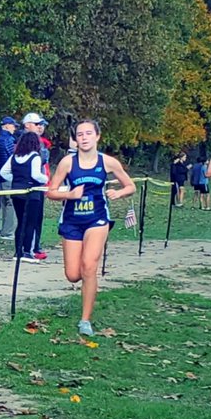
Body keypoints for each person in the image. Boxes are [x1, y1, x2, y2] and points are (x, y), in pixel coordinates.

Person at [46, 119, 136, 336]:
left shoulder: (108, 162)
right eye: (80, 134)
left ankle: (85, 320)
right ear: (75, 139)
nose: (84, 138)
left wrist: (119, 193)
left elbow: (130, 186)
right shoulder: (68, 163)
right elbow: (50, 191)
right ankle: (85, 296)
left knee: (89, 266)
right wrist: (69, 194)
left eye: (88, 133)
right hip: (71, 220)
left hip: (97, 219)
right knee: (73, 274)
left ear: (97, 136)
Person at [1, 130, 48, 263]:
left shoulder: (14, 157)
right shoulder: (35, 157)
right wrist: (45, 179)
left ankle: (18, 251)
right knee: (30, 223)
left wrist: (16, 180)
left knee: (21, 222)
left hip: (16, 193)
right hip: (31, 194)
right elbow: (36, 175)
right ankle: (27, 251)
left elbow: (3, 172)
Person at [20, 113, 51, 259]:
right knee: (28, 220)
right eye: (37, 124)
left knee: (37, 218)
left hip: (39, 185)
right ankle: (28, 249)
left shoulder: (41, 142)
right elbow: (42, 158)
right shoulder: (22, 141)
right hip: (30, 186)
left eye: (41, 125)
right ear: (27, 125)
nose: (40, 127)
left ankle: (34, 246)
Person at [0, 115, 19, 240]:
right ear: (6, 125)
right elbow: (12, 157)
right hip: (9, 176)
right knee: (10, 204)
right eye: (13, 125)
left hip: (1, 176)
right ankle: (8, 232)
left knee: (5, 203)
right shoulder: (8, 140)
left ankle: (5, 230)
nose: (15, 128)